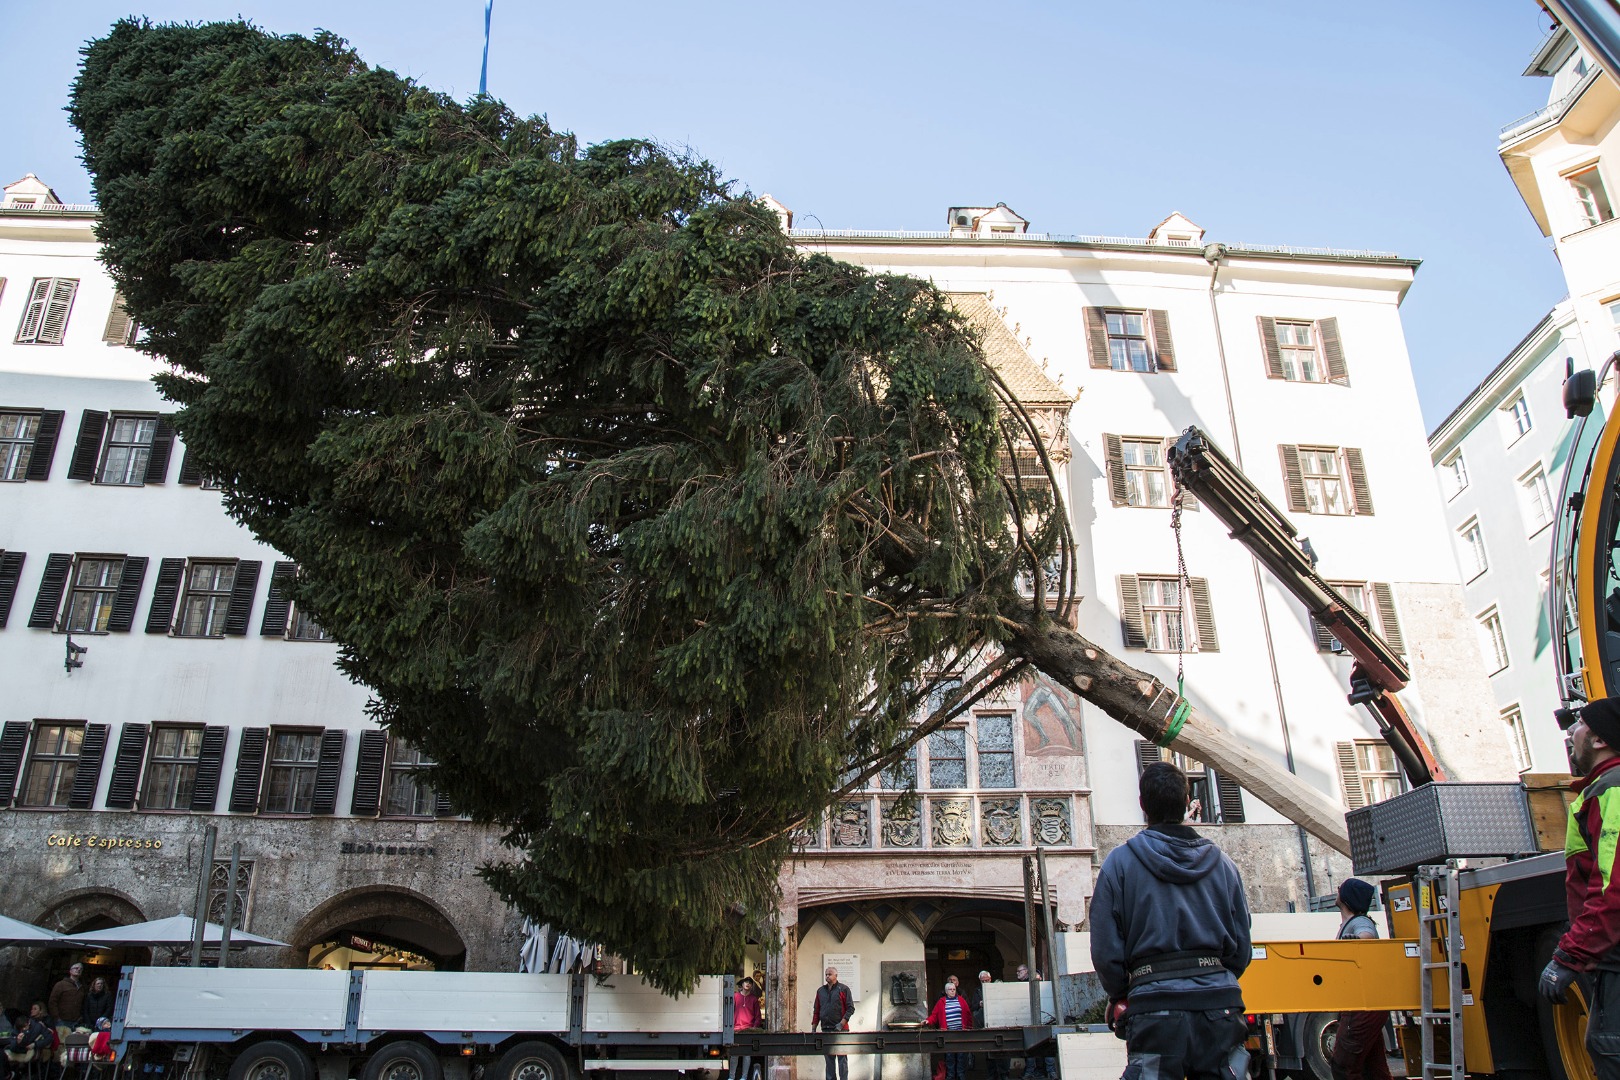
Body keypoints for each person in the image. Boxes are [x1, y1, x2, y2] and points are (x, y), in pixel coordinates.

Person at [1091, 761, 1252, 1080]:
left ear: (1142, 805)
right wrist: (1214, 976)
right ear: (1186, 802)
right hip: (1219, 1006)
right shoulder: (1223, 865)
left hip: (1154, 1008)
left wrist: (1121, 992)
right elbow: (1241, 947)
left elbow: (1105, 949)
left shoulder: (1119, 864)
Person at [1541, 696, 1620, 1079]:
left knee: (1611, 1050)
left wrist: (1570, 956)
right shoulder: (1601, 792)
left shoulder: (1613, 792)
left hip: (1617, 961)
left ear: (1601, 739)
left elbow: (1612, 887)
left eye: (1580, 725)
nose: (1571, 733)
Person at [1329, 879, 1391, 1080]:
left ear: (1346, 897)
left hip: (1362, 1007)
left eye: (1340, 889)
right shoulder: (1351, 922)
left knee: (1343, 1065)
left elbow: (1367, 935)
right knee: (1374, 1069)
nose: (1337, 891)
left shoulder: (1359, 922)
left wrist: (1356, 941)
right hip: (1369, 1004)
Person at [1013, 966, 1056, 1080]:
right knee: (1034, 1048)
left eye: (1019, 971)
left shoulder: (1036, 982)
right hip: (1033, 1019)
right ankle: (1042, 1072)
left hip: (1043, 1018)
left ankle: (1045, 1072)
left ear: (1026, 971)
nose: (1017, 973)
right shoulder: (1021, 984)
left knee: (1041, 1047)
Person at [926, 980, 974, 1080]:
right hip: (947, 1034)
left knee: (961, 1056)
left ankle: (961, 1076)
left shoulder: (961, 1000)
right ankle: (950, 1076)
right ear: (946, 991)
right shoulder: (941, 1001)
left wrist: (970, 1029)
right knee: (949, 1056)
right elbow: (934, 1015)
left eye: (954, 989)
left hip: (961, 1033)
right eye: (950, 990)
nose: (952, 991)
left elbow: (968, 1015)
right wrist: (927, 1021)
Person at [812, 967, 854, 1080]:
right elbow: (816, 1009)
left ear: (836, 975)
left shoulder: (844, 989)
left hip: (841, 1030)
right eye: (826, 974)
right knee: (829, 1060)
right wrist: (814, 1028)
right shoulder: (820, 991)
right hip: (826, 1029)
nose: (827, 976)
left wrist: (841, 1024)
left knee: (842, 1060)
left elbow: (850, 1008)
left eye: (829, 974)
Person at [969, 971, 1008, 1080]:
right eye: (983, 981)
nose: (985, 982)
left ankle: (1004, 1074)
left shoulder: (997, 989)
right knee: (988, 1051)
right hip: (984, 1024)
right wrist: (979, 1004)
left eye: (987, 980)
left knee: (1002, 1050)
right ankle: (992, 1075)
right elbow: (973, 1006)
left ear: (990, 979)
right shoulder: (977, 991)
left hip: (999, 1023)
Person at [733, 976, 763, 1080]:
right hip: (735, 1029)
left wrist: (755, 1027)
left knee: (746, 1054)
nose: (748, 984)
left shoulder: (754, 999)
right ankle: (731, 1077)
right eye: (746, 982)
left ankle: (744, 1077)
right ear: (742, 984)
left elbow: (757, 1016)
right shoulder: (735, 996)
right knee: (734, 1054)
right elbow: (729, 1012)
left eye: (750, 982)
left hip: (748, 1029)